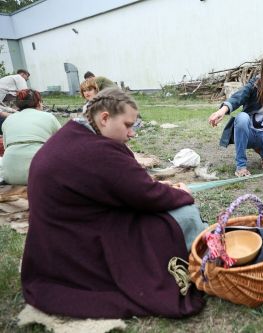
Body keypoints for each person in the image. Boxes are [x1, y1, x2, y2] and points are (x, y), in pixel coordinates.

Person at [21, 88, 206, 318]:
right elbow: (147, 195)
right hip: (78, 243)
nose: (131, 134)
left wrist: (160, 188)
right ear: (105, 118)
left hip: (57, 243)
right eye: (127, 125)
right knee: (185, 214)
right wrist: (184, 193)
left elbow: (127, 185)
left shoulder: (73, 134)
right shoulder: (96, 151)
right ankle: (206, 260)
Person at [208, 52, 263, 177]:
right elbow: (239, 97)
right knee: (241, 117)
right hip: (248, 133)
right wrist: (222, 111)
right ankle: (241, 166)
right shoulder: (255, 85)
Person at [1, 89, 60, 185]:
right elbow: (63, 145)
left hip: (10, 175)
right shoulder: (48, 117)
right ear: (38, 102)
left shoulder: (9, 119)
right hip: (41, 175)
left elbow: (6, 147)